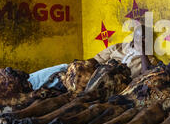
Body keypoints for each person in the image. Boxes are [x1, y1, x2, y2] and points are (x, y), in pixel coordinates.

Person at [29, 25, 158, 90]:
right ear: (133, 36)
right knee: (65, 68)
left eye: (145, 38)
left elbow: (147, 75)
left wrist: (142, 52)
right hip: (93, 73)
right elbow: (96, 60)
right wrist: (79, 65)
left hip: (110, 84)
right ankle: (29, 82)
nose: (141, 40)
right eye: (139, 36)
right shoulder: (119, 47)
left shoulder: (148, 59)